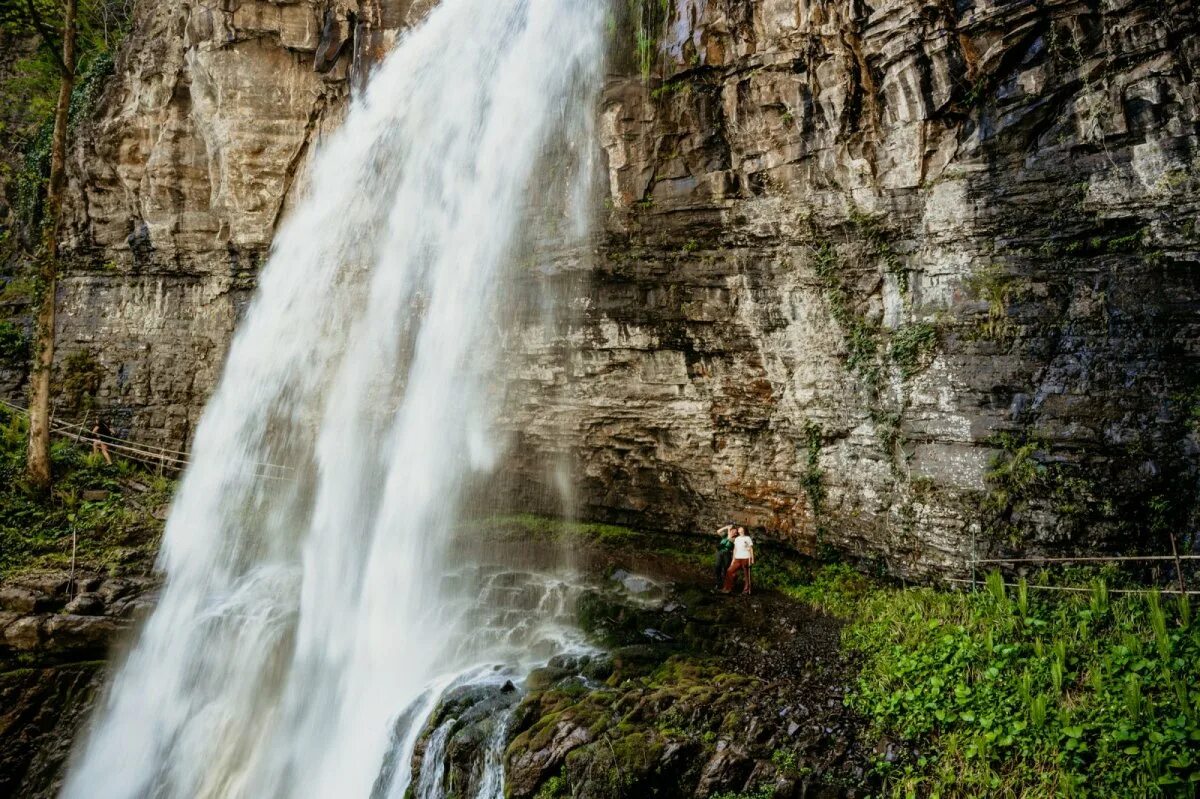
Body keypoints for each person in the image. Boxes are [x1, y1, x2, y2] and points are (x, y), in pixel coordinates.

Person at [722, 526, 754, 595]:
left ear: (744, 530)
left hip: (746, 558)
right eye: (739, 528)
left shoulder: (747, 538)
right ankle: (728, 588)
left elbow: (751, 549)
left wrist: (752, 559)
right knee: (729, 571)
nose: (739, 529)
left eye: (741, 528)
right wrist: (733, 560)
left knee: (746, 575)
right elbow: (735, 549)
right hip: (737, 558)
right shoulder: (737, 539)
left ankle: (746, 590)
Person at [713, 523, 736, 591]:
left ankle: (726, 584)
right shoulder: (725, 536)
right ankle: (718, 583)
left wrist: (729, 530)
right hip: (720, 552)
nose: (733, 532)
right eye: (732, 531)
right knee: (717, 567)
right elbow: (718, 531)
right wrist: (726, 527)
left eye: (734, 532)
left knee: (726, 569)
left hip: (727, 553)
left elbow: (729, 539)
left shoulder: (734, 539)